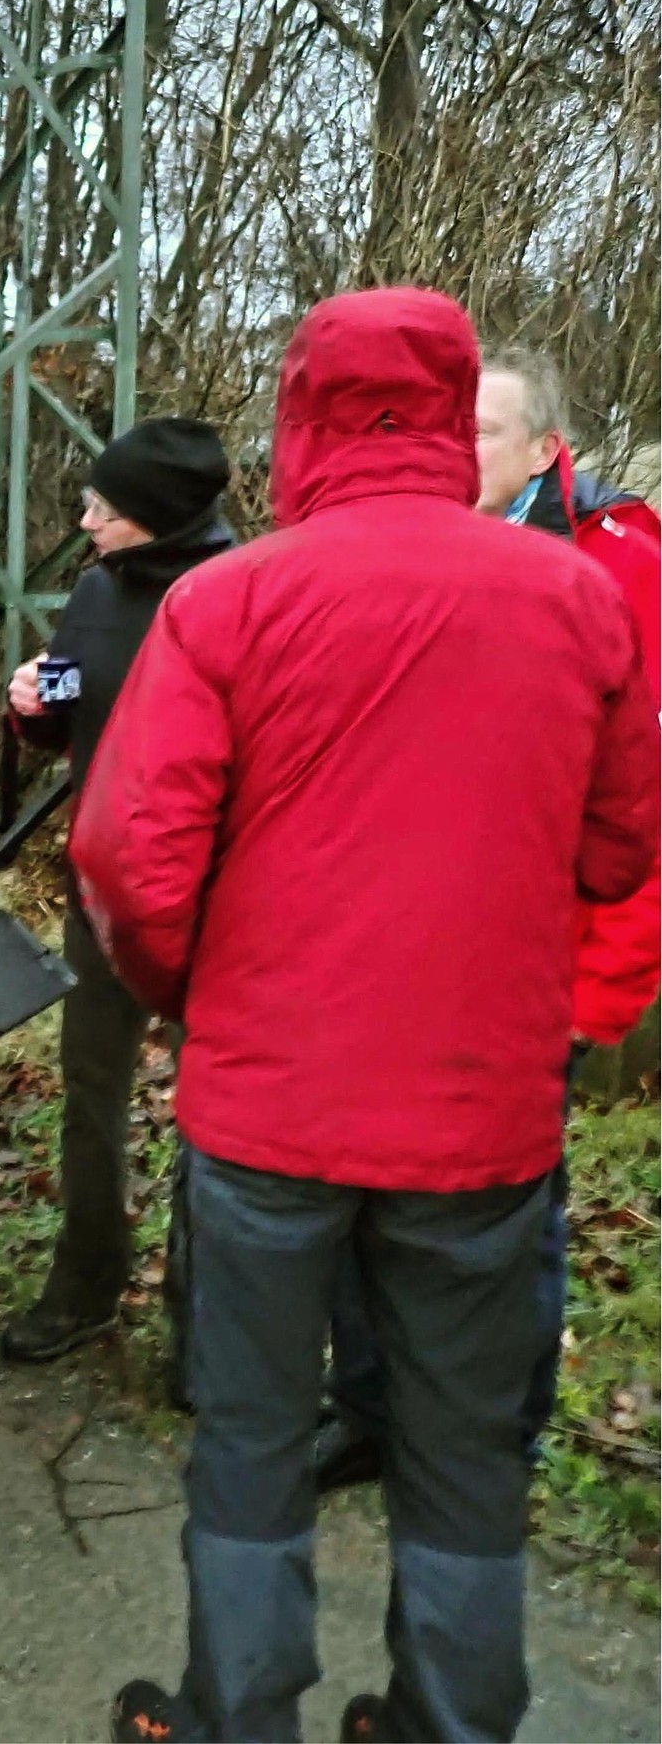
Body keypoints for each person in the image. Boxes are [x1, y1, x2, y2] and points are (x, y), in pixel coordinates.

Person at [68, 289, 659, 1744]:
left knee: (257, 1438)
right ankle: (452, 1722)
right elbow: (624, 844)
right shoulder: (580, 596)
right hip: (483, 1117)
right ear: (460, 409)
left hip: (270, 1112)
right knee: (465, 1451)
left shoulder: (229, 598)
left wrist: (190, 993)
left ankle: (238, 1713)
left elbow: (128, 860)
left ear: (300, 415)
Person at [317, 344, 662, 1497]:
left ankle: (493, 1447)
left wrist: (594, 996)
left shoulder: (619, 569)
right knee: (360, 1197)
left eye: (477, 432)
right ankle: (367, 1409)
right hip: (387, 959)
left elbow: (643, 810)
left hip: (527, 977)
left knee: (510, 1228)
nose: (448, 450)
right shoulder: (394, 551)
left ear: (540, 449)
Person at [0, 418, 233, 1363]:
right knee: (90, 1088)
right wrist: (34, 707)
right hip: (103, 892)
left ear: (158, 515)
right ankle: (87, 1282)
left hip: (217, 902)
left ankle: (201, 1325)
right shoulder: (97, 589)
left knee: (211, 1113)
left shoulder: (235, 595)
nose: (86, 518)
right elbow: (67, 712)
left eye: (104, 505)